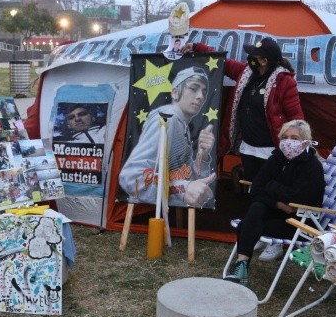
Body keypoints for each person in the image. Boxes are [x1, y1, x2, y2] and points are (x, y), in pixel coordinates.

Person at [224, 120, 325, 286]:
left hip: (299, 224)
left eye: (294, 138)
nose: (288, 141)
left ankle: (240, 269)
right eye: (284, 137)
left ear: (305, 141)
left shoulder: (313, 166)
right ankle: (241, 267)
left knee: (246, 225)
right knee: (257, 207)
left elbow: (298, 199)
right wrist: (279, 204)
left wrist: (271, 186)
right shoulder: (277, 158)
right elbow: (256, 189)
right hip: (276, 213)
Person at [191, 37, 303, 181]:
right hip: (248, 148)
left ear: (264, 61)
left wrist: (294, 145)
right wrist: (196, 47)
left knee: (269, 189)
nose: (250, 57)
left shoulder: (285, 81)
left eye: (254, 55)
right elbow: (222, 62)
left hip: (271, 150)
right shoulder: (246, 72)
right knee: (252, 187)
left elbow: (296, 118)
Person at [119, 66, 216, 208]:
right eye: (193, 88)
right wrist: (182, 189)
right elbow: (131, 177)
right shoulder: (167, 119)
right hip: (152, 213)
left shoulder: (181, 124)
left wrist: (203, 155)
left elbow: (188, 179)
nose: (200, 96)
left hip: (167, 210)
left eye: (204, 92)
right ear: (175, 93)